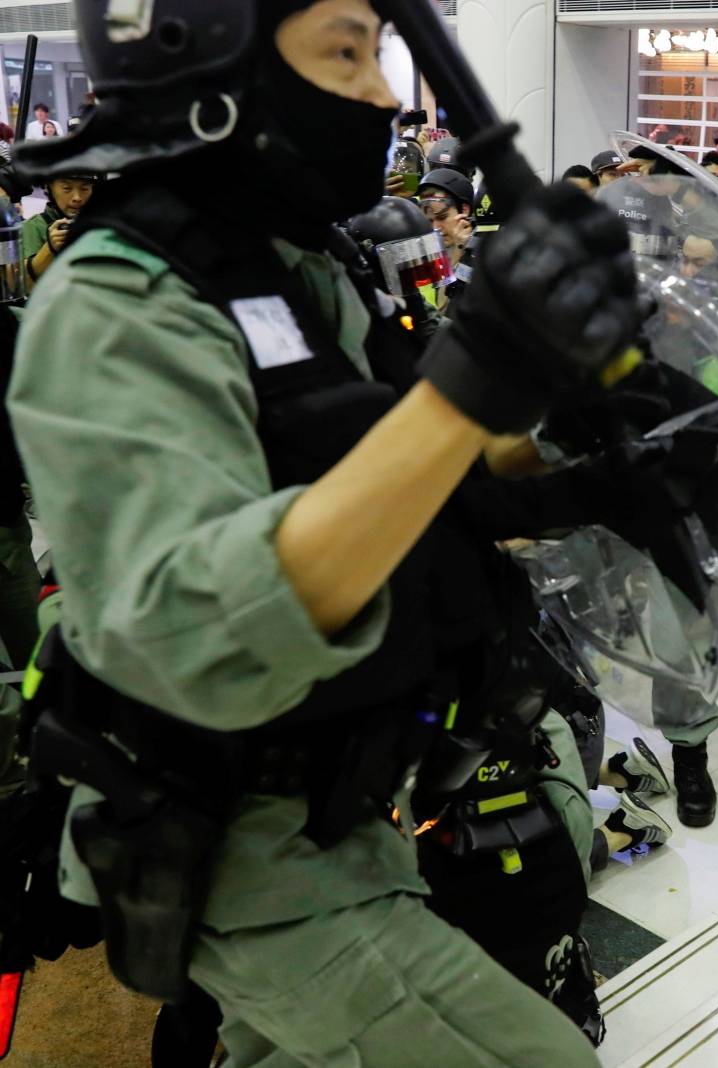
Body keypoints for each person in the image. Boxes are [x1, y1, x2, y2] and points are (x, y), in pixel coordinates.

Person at [7, 1, 649, 1063]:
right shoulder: (113, 305)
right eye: (347, 52)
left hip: (358, 792)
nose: (387, 96)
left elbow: (395, 463)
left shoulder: (300, 268)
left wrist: (594, 462)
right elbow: (191, 638)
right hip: (245, 846)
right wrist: (470, 378)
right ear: (213, 68)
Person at [19, 172, 95, 289]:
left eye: (84, 188)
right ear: (49, 188)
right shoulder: (32, 227)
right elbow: (22, 285)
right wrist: (50, 249)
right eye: (67, 188)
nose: (77, 198)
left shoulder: (100, 226)